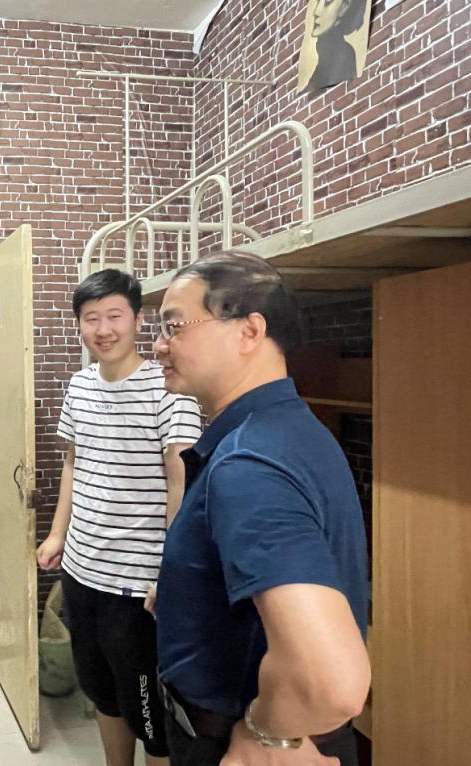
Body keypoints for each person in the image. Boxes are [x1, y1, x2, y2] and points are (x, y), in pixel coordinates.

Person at [153, 252, 370, 765]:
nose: (159, 346)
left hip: (244, 745)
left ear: (249, 331)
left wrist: (266, 735)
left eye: (173, 327)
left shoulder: (248, 464)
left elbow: (335, 681)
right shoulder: (290, 428)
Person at [37, 269, 202, 766]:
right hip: (82, 571)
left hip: (138, 586)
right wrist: (57, 534)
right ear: (79, 325)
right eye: (91, 319)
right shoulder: (79, 385)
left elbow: (181, 483)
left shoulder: (169, 389)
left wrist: (171, 572)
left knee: (150, 715)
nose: (103, 329)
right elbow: (73, 462)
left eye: (114, 316)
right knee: (102, 693)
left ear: (137, 320)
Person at [303, 0, 368, 91]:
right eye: (317, 2)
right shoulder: (323, 55)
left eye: (327, 3)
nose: (316, 12)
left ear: (344, 8)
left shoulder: (343, 55)